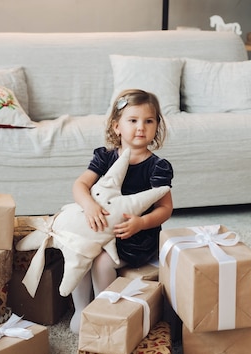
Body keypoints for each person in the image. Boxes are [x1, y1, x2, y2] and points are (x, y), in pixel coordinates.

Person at [69, 89, 174, 333]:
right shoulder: (105, 158)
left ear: (156, 126)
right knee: (79, 251)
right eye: (133, 120)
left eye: (149, 121)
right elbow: (80, 185)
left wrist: (141, 222)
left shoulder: (157, 166)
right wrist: (89, 205)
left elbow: (165, 208)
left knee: (103, 262)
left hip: (133, 236)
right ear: (117, 127)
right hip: (100, 227)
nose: (141, 127)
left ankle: (105, 311)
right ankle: (81, 309)